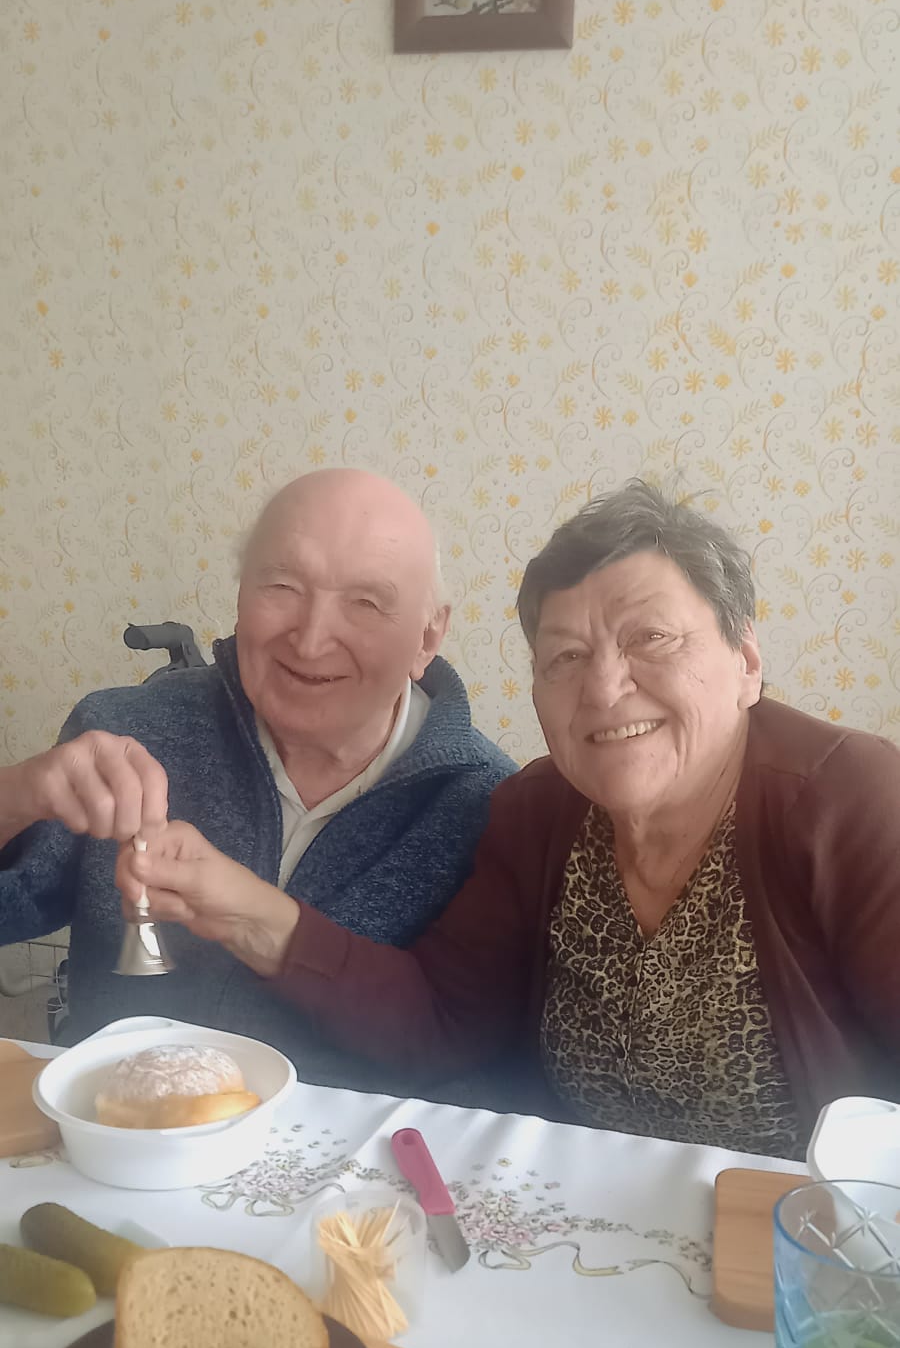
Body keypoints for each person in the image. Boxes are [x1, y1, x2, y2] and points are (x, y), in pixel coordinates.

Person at [121, 481, 900, 1155]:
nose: (604, 688)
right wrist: (246, 911)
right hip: (579, 1224)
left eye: (651, 638)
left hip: (804, 1246)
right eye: (565, 656)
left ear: (747, 662)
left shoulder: (851, 804)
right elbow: (440, 1020)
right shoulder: (538, 813)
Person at [0, 468, 515, 1086]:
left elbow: (468, 1056)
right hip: (115, 1126)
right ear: (242, 594)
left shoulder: (488, 808)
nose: (311, 639)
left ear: (428, 635)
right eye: (282, 585)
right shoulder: (127, 731)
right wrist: (17, 795)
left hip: (342, 1147)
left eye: (366, 602)